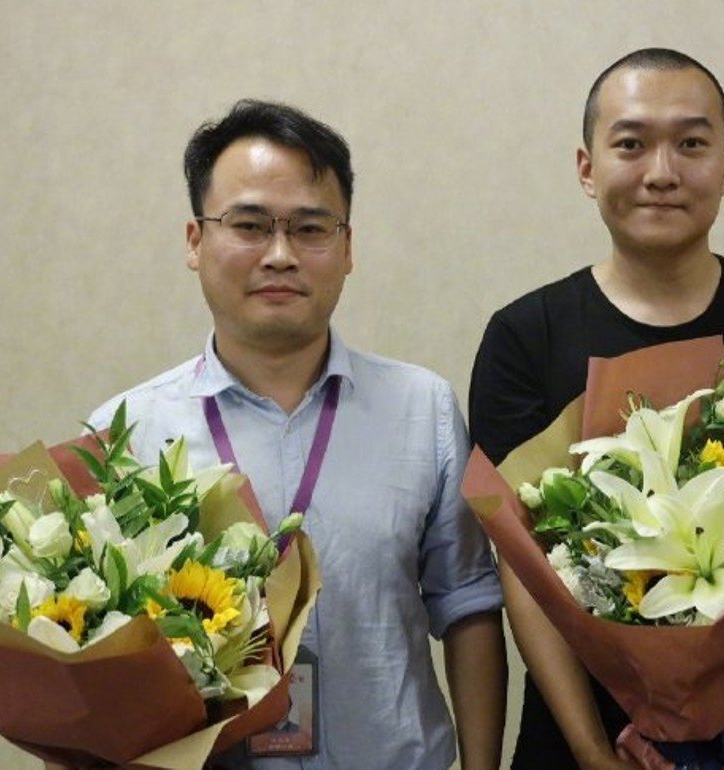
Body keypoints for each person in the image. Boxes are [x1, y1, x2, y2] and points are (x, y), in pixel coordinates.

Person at [469, 48, 724, 769]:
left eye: (691, 144)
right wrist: (592, 752)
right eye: (630, 143)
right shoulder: (526, 336)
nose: (661, 171)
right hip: (577, 745)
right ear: (586, 166)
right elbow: (523, 574)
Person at [87, 100, 506, 770]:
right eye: (249, 225)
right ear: (195, 241)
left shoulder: (421, 408)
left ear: (347, 247)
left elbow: (468, 604)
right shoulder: (124, 434)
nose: (280, 255)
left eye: (311, 228)